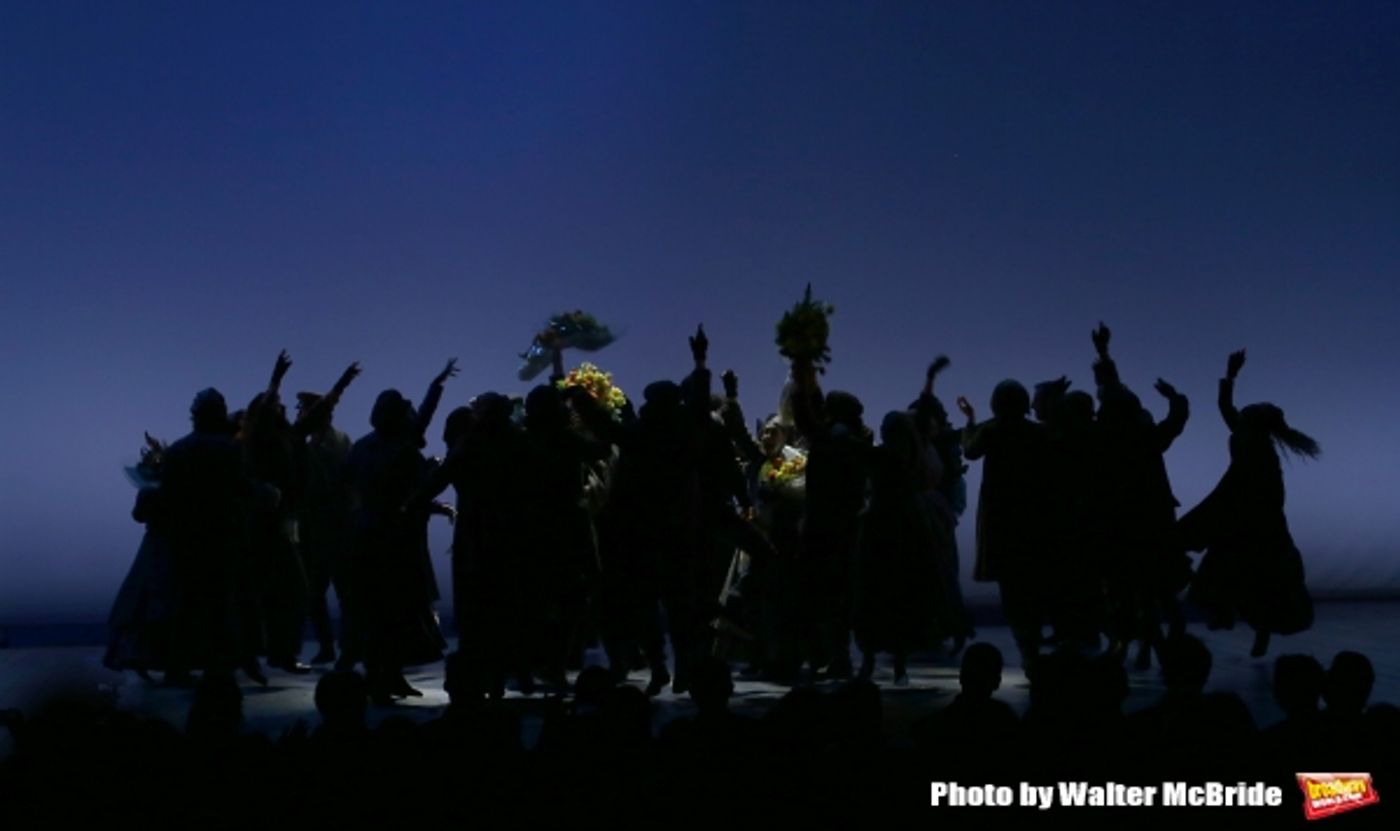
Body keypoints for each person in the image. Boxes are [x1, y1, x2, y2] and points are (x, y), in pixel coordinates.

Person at [1178, 349, 1318, 657]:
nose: (1240, 417)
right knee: (1238, 570)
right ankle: (1234, 616)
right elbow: (1226, 406)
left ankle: (1251, 623)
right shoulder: (1247, 435)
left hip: (1253, 516)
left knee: (1258, 574)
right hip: (1241, 511)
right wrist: (1230, 374)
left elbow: (1265, 493)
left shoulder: (1257, 448)